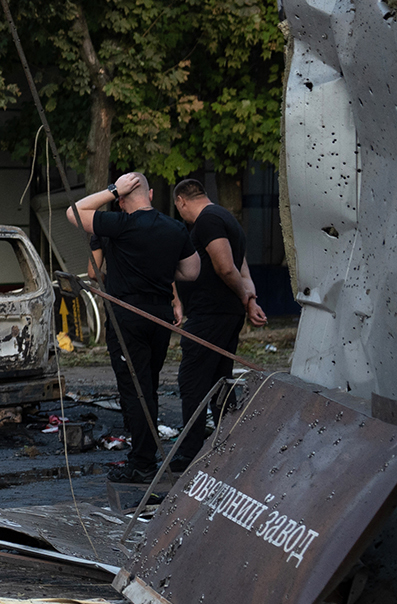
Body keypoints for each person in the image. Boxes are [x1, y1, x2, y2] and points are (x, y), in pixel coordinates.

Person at [68, 173, 201, 483]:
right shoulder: (174, 227)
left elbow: (73, 211)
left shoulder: (120, 224)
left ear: (123, 198)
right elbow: (192, 272)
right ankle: (144, 454)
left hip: (128, 314)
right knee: (148, 385)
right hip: (159, 314)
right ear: (150, 194)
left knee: (135, 389)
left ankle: (142, 463)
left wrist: (113, 189)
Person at [169, 179, 268, 470]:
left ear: (181, 201)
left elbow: (226, 267)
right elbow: (242, 268)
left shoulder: (208, 220)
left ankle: (191, 453)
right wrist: (249, 301)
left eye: (179, 209)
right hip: (224, 313)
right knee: (220, 379)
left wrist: (243, 297)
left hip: (210, 315)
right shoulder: (227, 218)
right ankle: (229, 443)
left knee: (193, 381)